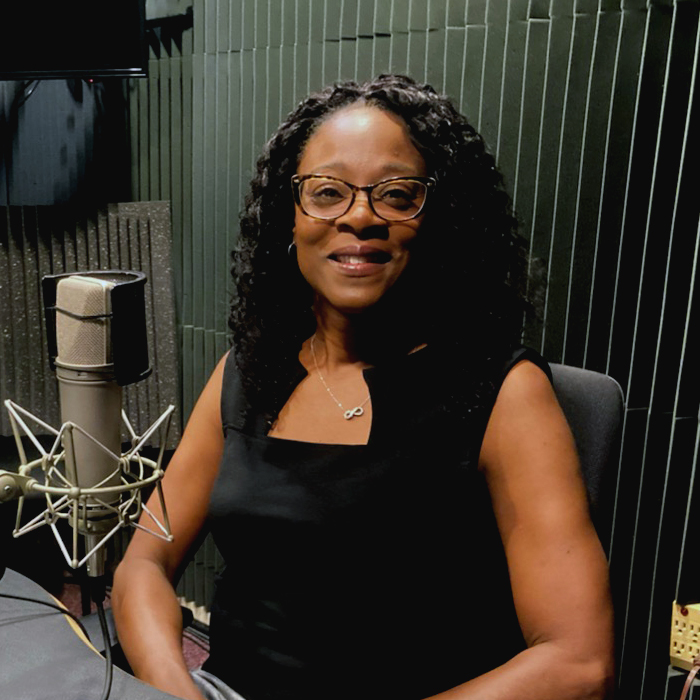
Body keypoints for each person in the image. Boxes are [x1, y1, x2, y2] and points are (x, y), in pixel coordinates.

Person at [112, 74, 614, 700]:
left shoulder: (504, 393)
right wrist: (178, 690)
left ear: (442, 218)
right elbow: (144, 563)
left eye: (398, 195)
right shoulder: (247, 372)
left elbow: (577, 661)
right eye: (326, 192)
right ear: (288, 218)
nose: (358, 216)